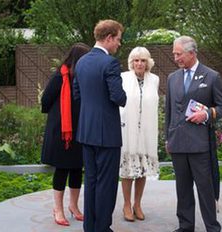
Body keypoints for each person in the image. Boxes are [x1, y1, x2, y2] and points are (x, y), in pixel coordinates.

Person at [166, 36, 222, 232]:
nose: (175, 58)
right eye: (174, 54)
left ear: (191, 53)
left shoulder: (211, 76)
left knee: (205, 189)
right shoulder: (172, 78)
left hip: (200, 144)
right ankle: (185, 226)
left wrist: (207, 113)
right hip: (178, 142)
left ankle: (212, 227)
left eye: (178, 54)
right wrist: (168, 138)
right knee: (182, 189)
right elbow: (168, 111)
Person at [72, 19, 126, 232]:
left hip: (86, 132)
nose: (119, 45)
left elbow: (77, 95)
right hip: (107, 134)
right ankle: (102, 228)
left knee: (92, 181)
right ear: (109, 38)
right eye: (118, 40)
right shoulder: (110, 63)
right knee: (107, 183)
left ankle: (90, 227)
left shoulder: (82, 62)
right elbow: (118, 97)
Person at [41, 43, 91, 227]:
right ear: (78, 59)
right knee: (62, 169)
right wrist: (60, 115)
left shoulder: (82, 78)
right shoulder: (59, 77)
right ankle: (58, 208)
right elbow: (44, 102)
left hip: (79, 130)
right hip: (62, 132)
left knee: (77, 168)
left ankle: (73, 206)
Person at [119, 46, 160, 222]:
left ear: (148, 62)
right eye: (136, 60)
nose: (139, 63)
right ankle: (126, 204)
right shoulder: (123, 78)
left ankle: (138, 204)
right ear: (131, 62)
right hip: (128, 129)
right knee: (128, 168)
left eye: (143, 60)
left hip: (147, 130)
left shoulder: (155, 80)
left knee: (143, 168)